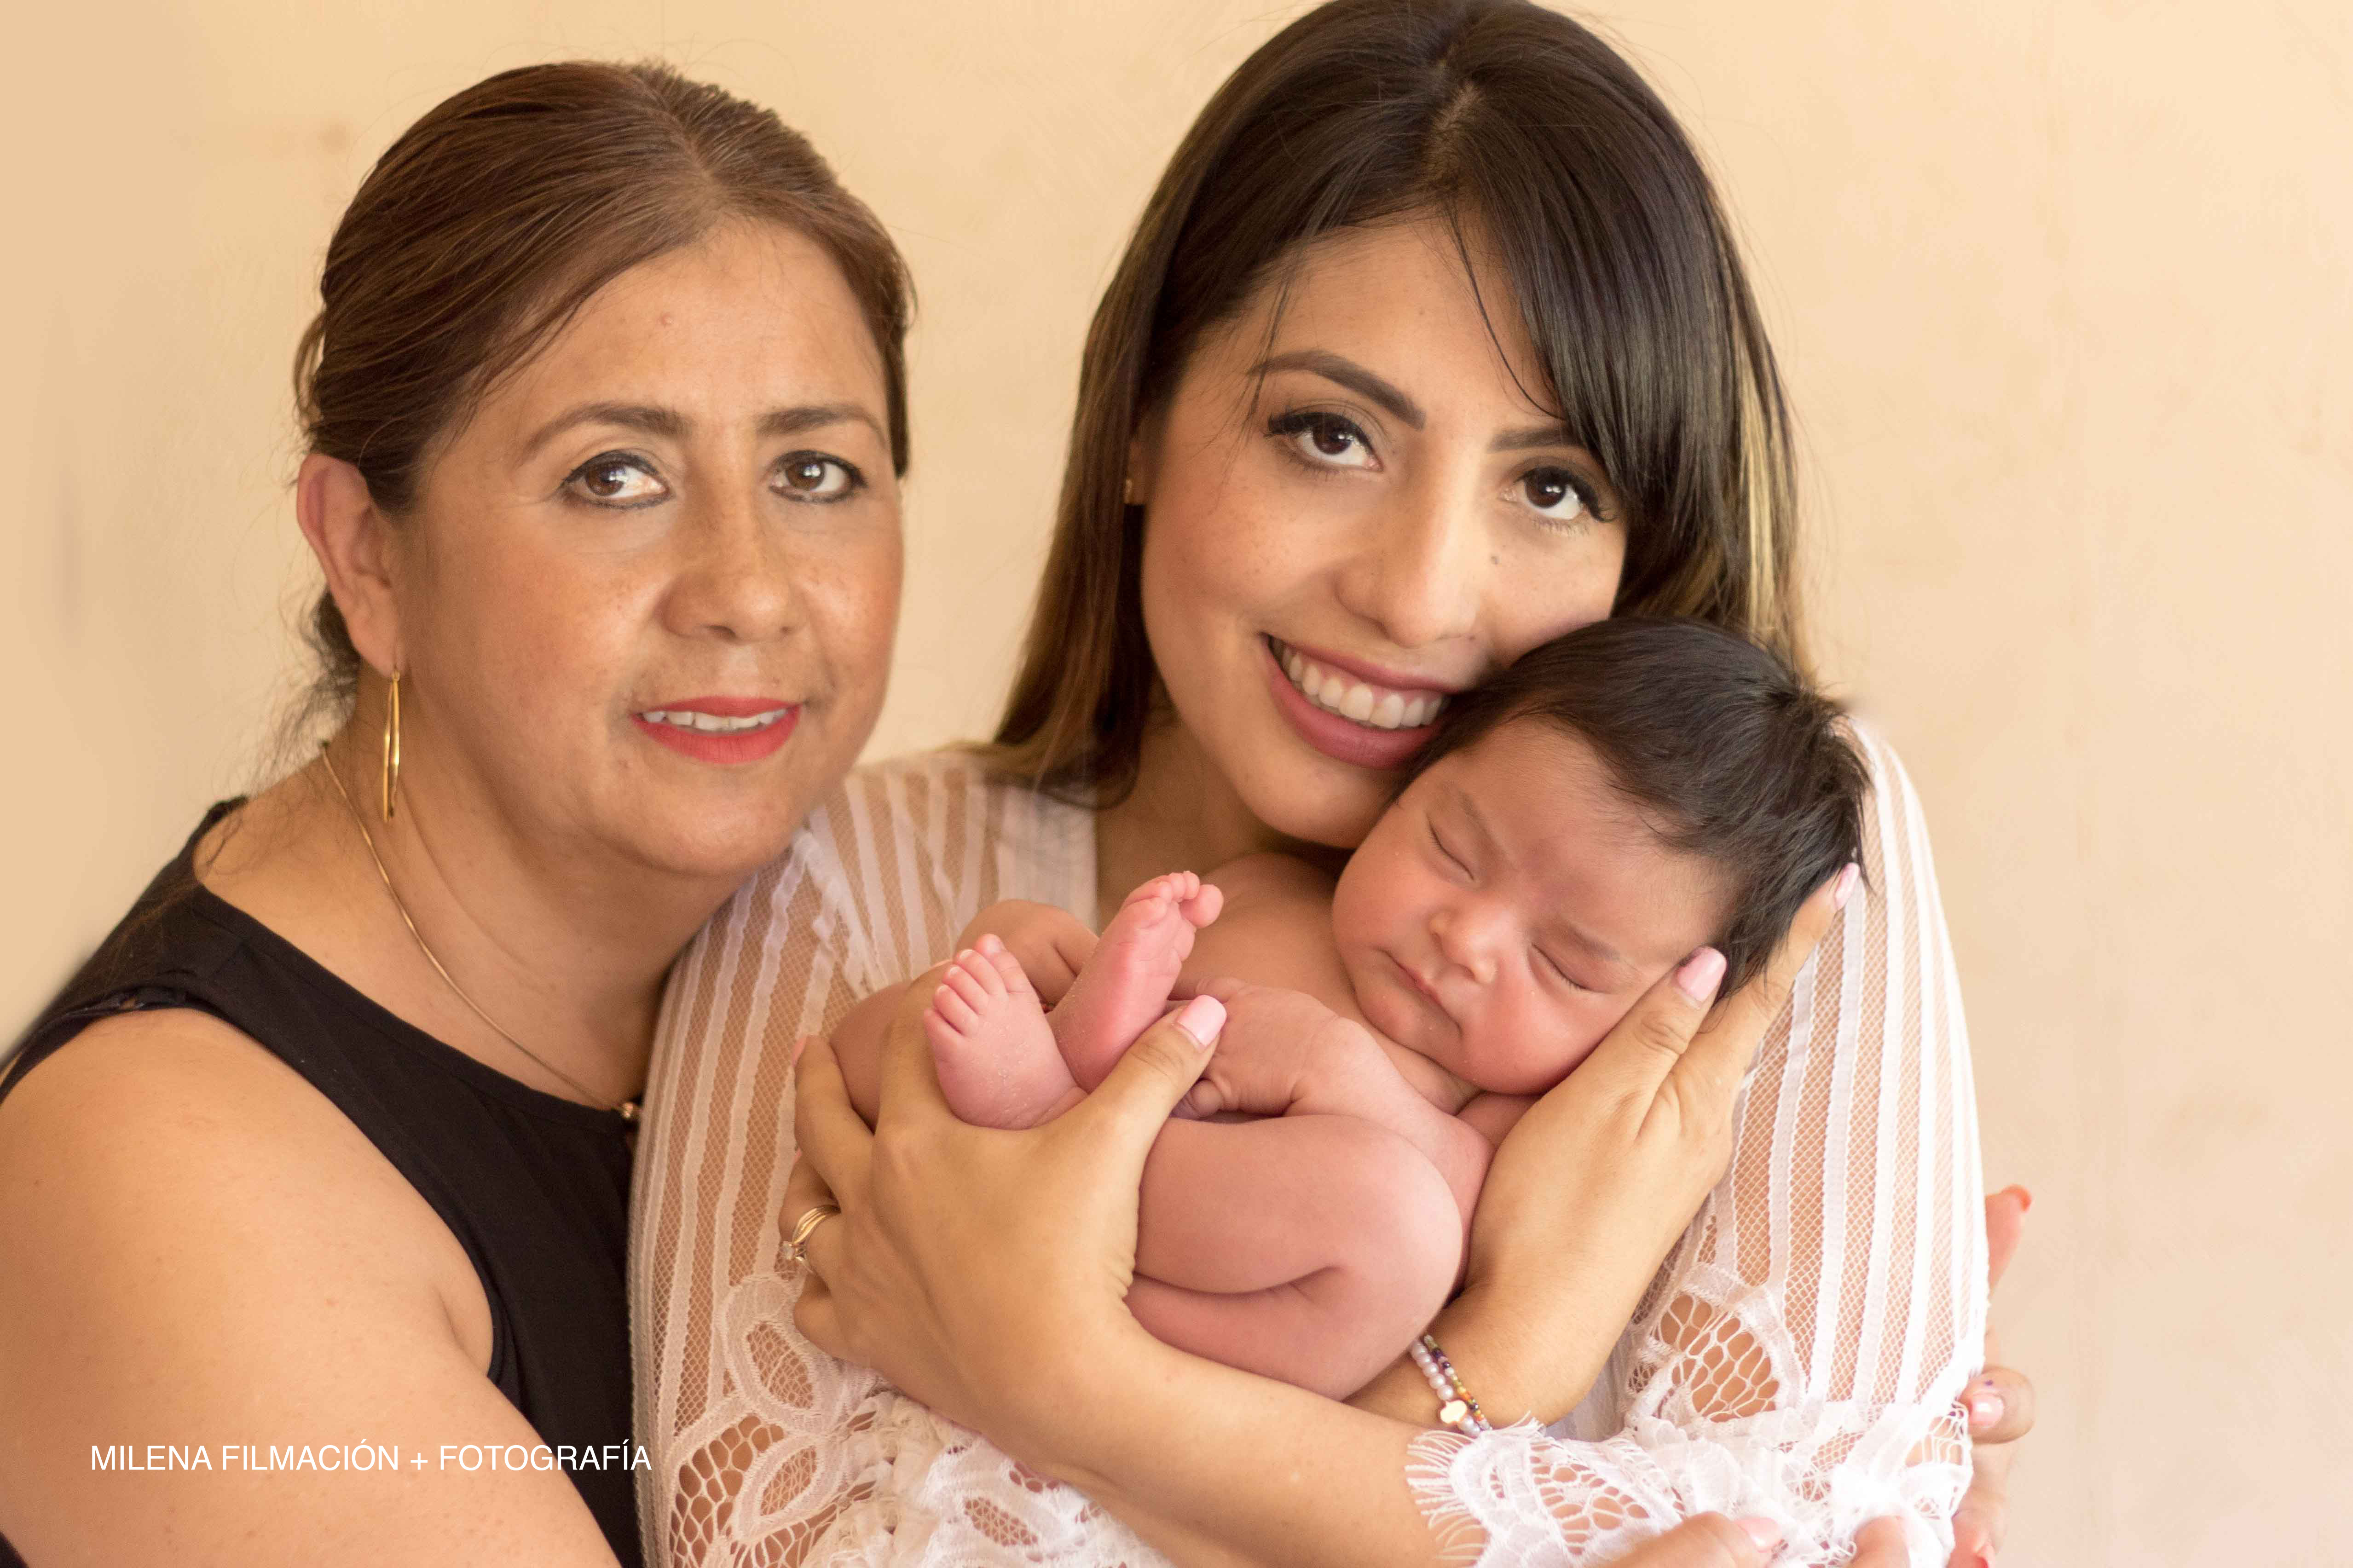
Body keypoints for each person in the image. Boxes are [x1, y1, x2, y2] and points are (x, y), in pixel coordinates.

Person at [633, 1, 2032, 1564]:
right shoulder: (835, 884)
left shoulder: (1766, 887)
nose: (1423, 592)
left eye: (1553, 485)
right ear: (1143, 418)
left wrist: (1063, 1380)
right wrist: (1498, 1362)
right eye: (1327, 433)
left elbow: (1819, 1533)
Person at [0, 63, 911, 1567]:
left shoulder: (859, 917)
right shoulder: (163, 1177)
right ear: (366, 554)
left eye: (815, 470)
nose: (750, 589)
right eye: (613, 475)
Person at [832, 617, 1875, 1404]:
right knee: (997, 953)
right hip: (1044, 1145)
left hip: (1183, 1322)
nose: (1464, 939)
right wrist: (1100, 977)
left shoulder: (1511, 1098)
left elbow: (1473, 1223)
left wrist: (1346, 1076)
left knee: (1401, 1227)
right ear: (1410, 781)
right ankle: (1042, 1117)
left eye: (1562, 962)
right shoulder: (1277, 891)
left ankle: (1045, 1160)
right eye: (1451, 850)